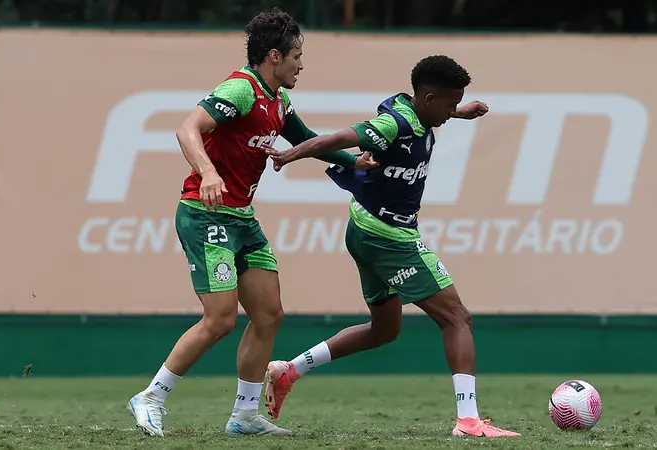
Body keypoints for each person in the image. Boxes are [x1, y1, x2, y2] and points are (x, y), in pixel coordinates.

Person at [126, 8, 376, 438]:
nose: (301, 64)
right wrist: (208, 172)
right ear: (275, 56)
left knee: (268, 314)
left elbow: (306, 140)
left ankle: (243, 416)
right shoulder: (241, 89)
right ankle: (151, 397)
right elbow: (188, 129)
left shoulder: (278, 101)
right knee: (221, 319)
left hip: (242, 219)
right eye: (297, 55)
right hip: (205, 215)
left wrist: (353, 161)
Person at [262, 55, 521, 438]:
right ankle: (468, 421)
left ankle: (290, 370)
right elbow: (337, 139)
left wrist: (460, 112)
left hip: (364, 229)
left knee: (384, 330)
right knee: (456, 318)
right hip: (388, 238)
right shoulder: (393, 123)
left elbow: (432, 112)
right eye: (449, 104)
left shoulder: (420, 112)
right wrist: (290, 154)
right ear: (429, 98)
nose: (451, 111)